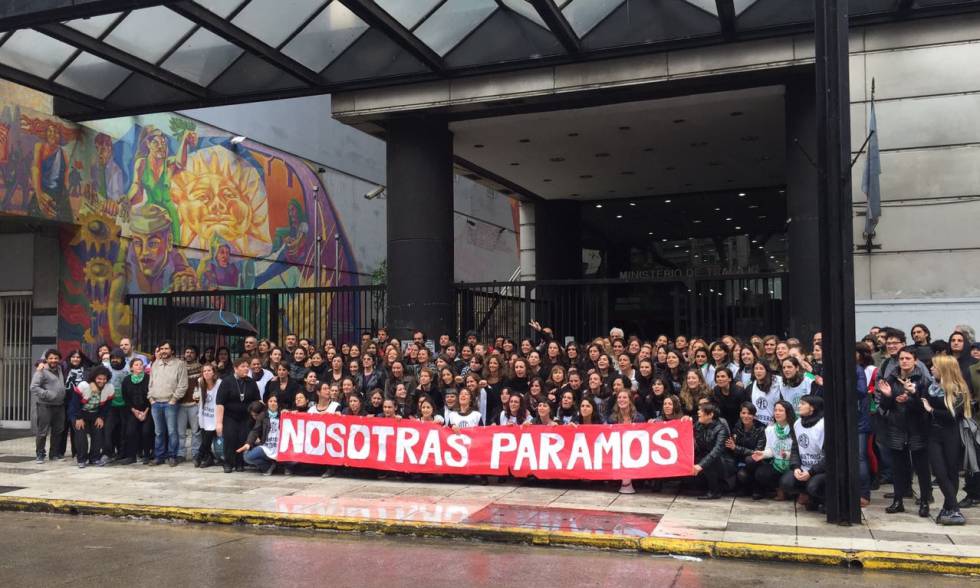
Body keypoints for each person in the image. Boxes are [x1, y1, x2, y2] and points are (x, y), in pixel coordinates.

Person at [877, 347, 932, 516]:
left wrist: (910, 398)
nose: (904, 361)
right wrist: (888, 396)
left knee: (921, 468)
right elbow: (885, 407)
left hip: (917, 428)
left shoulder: (922, 379)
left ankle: (924, 501)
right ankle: (898, 500)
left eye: (908, 358)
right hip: (896, 427)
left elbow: (925, 407)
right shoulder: (891, 378)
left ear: (915, 360)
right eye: (902, 358)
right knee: (898, 467)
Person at [924, 355, 971, 525]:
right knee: (939, 472)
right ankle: (955, 508)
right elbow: (920, 405)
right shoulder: (930, 387)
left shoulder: (959, 389)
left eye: (934, 366)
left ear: (944, 369)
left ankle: (948, 508)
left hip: (952, 435)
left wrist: (931, 410)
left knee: (951, 473)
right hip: (933, 435)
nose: (931, 369)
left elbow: (952, 416)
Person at [216, 357, 261, 473]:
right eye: (243, 366)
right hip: (230, 416)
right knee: (230, 438)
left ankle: (239, 463)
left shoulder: (251, 382)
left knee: (242, 438)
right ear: (235, 368)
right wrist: (219, 423)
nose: (246, 369)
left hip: (246, 416)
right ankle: (228, 463)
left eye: (247, 366)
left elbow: (257, 401)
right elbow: (220, 403)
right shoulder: (227, 381)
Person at [147, 340, 188, 467]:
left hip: (170, 403)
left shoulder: (179, 364)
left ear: (172, 351)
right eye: (162, 349)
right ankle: (159, 456)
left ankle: (172, 456)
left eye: (166, 348)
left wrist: (174, 399)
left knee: (172, 431)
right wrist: (151, 398)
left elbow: (183, 385)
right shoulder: (155, 364)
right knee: (158, 432)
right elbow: (151, 383)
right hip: (155, 403)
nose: (164, 351)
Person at [68, 366, 115, 468]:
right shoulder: (84, 386)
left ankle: (94, 458)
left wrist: (101, 417)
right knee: (81, 437)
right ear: (94, 377)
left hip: (95, 414)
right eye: (99, 378)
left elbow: (107, 405)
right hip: (79, 413)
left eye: (104, 379)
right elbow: (75, 403)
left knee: (98, 434)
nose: (102, 381)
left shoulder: (109, 388)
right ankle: (82, 459)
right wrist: (78, 418)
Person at [786, 395, 827, 511]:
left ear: (812, 408)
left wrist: (811, 472)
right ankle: (811, 498)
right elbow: (795, 447)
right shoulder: (797, 423)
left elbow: (829, 456)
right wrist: (796, 467)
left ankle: (826, 501)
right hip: (804, 467)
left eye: (803, 403)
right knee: (786, 482)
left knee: (814, 486)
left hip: (822, 469)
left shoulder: (823, 425)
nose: (799, 406)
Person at [752, 400, 796, 499]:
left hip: (793, 464)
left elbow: (800, 451)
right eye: (775, 410)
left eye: (781, 410)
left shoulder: (795, 428)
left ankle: (799, 492)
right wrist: (763, 454)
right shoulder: (770, 429)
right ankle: (779, 489)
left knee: (787, 481)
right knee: (761, 473)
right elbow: (771, 450)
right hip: (777, 464)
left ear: (788, 413)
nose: (777, 413)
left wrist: (788, 454)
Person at [30, 349, 67, 464]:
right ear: (46, 359)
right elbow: (34, 387)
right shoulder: (41, 371)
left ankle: (54, 454)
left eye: (56, 358)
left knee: (58, 430)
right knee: (42, 431)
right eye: (51, 358)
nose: (53, 360)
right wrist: (47, 394)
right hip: (45, 406)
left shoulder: (60, 368)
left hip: (59, 406)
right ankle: (40, 454)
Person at [692, 403, 734, 500]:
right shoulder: (698, 424)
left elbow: (716, 451)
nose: (698, 412)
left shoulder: (721, 429)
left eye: (701, 411)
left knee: (711, 459)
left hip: (723, 462)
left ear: (710, 415)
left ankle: (715, 491)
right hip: (705, 458)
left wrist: (700, 465)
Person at [727, 401, 766, 498]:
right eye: (743, 413)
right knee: (738, 471)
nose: (746, 416)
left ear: (754, 415)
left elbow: (757, 453)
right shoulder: (737, 427)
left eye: (749, 413)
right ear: (740, 414)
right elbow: (731, 446)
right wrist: (734, 448)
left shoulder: (761, 429)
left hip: (758, 462)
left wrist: (736, 448)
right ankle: (745, 488)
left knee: (750, 460)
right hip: (740, 460)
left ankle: (758, 488)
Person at [240, 397, 286, 476]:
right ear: (267, 403)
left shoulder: (283, 414)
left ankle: (286, 467)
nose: (273, 403)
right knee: (247, 456)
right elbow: (255, 431)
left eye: (275, 401)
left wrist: (290, 413)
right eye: (270, 401)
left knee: (293, 460)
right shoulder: (262, 416)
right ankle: (268, 466)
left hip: (281, 448)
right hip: (266, 447)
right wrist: (248, 443)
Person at [120, 357, 153, 465]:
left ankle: (147, 455)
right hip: (132, 411)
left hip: (147, 410)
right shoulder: (126, 380)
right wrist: (134, 411)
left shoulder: (149, 378)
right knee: (130, 432)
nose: (139, 366)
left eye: (141, 364)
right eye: (136, 365)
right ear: (131, 368)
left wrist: (145, 412)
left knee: (146, 432)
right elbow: (125, 397)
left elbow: (151, 395)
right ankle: (131, 456)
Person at [176, 345, 202, 464]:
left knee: (196, 431)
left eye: (192, 352)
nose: (189, 354)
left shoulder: (201, 368)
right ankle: (181, 454)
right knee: (181, 432)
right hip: (180, 404)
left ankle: (196, 453)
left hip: (194, 404)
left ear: (196, 354)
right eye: (187, 352)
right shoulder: (178, 367)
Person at [195, 363, 220, 468]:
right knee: (205, 436)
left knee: (208, 436)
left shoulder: (219, 383)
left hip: (215, 414)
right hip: (204, 414)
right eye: (204, 371)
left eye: (209, 370)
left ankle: (199, 456)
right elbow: (197, 397)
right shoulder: (200, 382)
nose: (206, 373)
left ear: (213, 372)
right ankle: (209, 458)